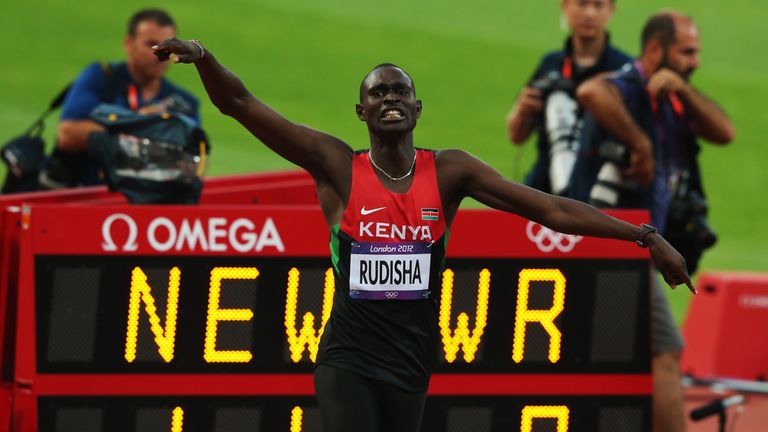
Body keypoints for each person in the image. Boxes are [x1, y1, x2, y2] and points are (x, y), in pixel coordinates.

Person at [153, 38, 696, 432]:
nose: (389, 98)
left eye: (400, 91)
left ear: (417, 108)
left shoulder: (451, 172)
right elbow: (241, 105)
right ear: (361, 111)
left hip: (411, 360)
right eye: (378, 92)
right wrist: (204, 57)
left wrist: (643, 235)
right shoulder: (337, 165)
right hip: (347, 357)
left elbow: (550, 209)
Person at [575, 11, 734, 432]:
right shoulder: (628, 86)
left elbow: (724, 131)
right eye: (686, 53)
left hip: (636, 249)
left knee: (613, 359)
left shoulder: (674, 100)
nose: (695, 61)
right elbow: (591, 91)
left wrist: (682, 87)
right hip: (616, 247)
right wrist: (640, 142)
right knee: (664, 351)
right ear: (653, 49)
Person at [42, 8, 200, 189]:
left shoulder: (184, 103)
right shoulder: (101, 78)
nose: (161, 54)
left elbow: (192, 164)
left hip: (150, 198)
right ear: (129, 44)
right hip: (89, 193)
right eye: (151, 45)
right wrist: (140, 122)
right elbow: (67, 135)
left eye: (169, 47)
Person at [506, 0, 630, 196]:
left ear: (611, 10)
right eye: (582, 4)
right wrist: (523, 110)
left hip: (599, 191)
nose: (589, 13)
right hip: (545, 186)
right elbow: (517, 136)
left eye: (598, 5)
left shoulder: (624, 69)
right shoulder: (551, 64)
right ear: (564, 6)